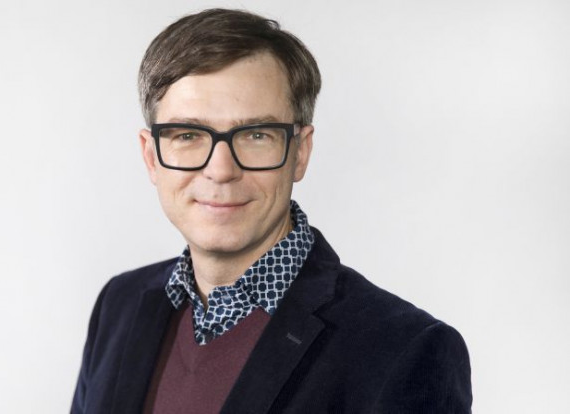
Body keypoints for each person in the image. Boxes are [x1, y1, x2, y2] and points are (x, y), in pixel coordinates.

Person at [70, 8, 472, 414]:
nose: (221, 170)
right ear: (151, 156)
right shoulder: (118, 306)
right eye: (188, 135)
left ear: (300, 153)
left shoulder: (405, 351)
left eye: (256, 135)